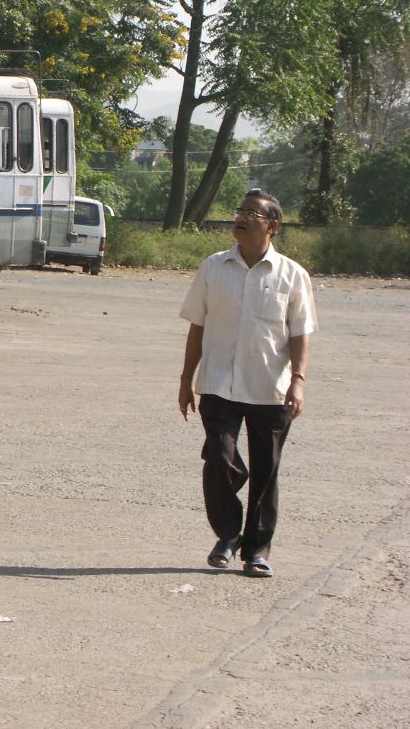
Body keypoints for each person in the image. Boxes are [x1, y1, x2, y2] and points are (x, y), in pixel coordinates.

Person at [178, 189, 317, 578]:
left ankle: (255, 551)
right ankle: (227, 533)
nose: (240, 217)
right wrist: (186, 379)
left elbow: (301, 333)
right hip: (219, 383)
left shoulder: (292, 275)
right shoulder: (212, 267)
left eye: (251, 213)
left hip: (270, 387)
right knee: (219, 458)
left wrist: (299, 382)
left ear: (272, 226)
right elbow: (197, 327)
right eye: (239, 211)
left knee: (266, 471)